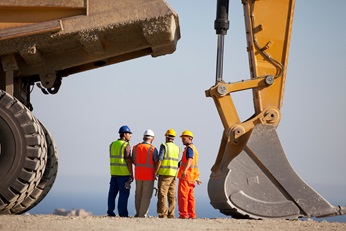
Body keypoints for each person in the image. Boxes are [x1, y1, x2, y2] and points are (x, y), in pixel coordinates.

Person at [107, 125, 133, 217]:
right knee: (124, 195)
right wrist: (131, 174)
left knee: (112, 194)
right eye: (129, 134)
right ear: (125, 134)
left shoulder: (113, 144)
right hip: (124, 174)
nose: (130, 136)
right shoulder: (126, 145)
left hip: (114, 173)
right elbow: (128, 160)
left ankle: (110, 212)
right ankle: (123, 214)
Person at [132, 129, 158, 217]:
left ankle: (138, 212)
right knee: (146, 196)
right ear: (152, 138)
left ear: (143, 137)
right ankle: (142, 214)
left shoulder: (135, 147)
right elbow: (156, 161)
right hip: (149, 176)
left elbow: (134, 160)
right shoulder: (153, 149)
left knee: (138, 195)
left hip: (138, 175)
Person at [155, 129, 180, 218]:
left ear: (166, 137)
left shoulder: (164, 146)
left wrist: (155, 171)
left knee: (162, 194)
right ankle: (171, 214)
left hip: (165, 174)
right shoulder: (177, 148)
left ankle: (163, 214)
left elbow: (160, 159)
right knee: (172, 194)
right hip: (173, 174)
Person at [177, 130, 202, 219]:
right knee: (190, 197)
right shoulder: (194, 148)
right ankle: (192, 215)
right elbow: (192, 164)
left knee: (183, 196)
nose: (182, 140)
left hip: (186, 176)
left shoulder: (189, 149)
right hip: (191, 177)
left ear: (190, 138)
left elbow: (190, 160)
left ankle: (183, 214)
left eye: (184, 138)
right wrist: (197, 178)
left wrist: (184, 171)